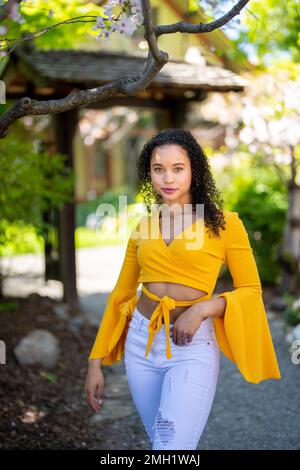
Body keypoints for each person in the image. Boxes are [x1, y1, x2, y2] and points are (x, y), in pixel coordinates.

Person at [84, 128, 281, 450]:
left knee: (171, 445)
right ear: (148, 173)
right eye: (158, 169)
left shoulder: (225, 224)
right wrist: (95, 362)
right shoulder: (143, 227)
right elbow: (121, 294)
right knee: (158, 441)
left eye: (178, 168)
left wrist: (203, 309)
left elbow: (250, 290)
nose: (168, 178)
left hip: (192, 347)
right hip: (141, 344)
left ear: (194, 171)